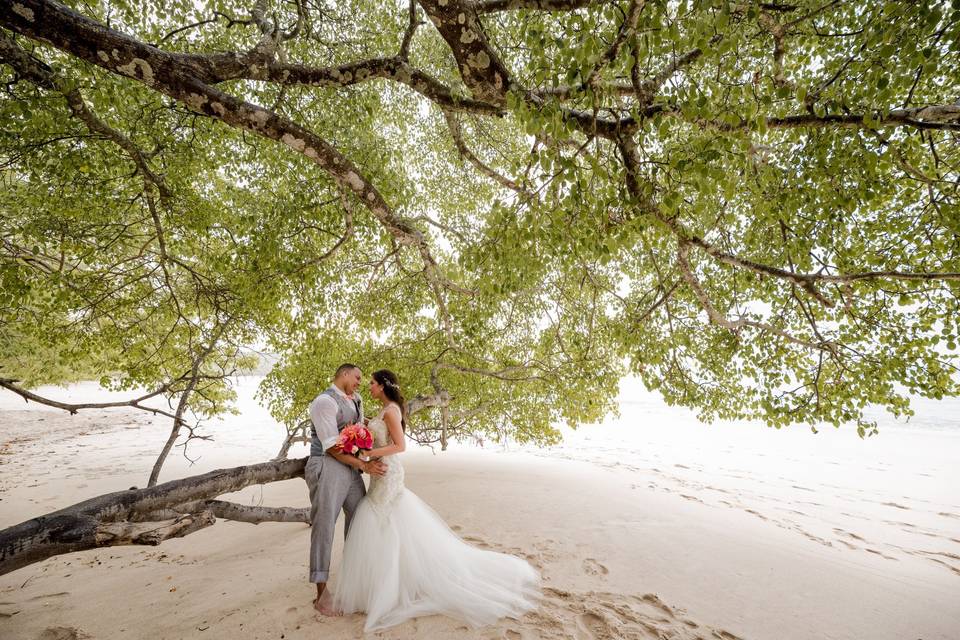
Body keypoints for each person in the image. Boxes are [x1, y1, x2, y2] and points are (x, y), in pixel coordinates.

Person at [333, 369, 540, 631]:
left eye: (372, 383)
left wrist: (369, 453)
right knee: (383, 522)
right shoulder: (385, 408)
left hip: (388, 473)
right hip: (379, 471)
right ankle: (383, 583)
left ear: (383, 386)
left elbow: (400, 446)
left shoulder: (392, 411)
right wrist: (360, 446)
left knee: (382, 520)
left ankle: (388, 587)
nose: (369, 387)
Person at [304, 363, 387, 614]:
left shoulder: (357, 399)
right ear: (344, 374)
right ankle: (321, 593)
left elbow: (359, 432)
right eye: (358, 377)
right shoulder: (324, 403)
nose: (360, 383)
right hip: (327, 465)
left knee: (360, 516)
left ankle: (353, 580)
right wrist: (364, 465)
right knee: (325, 524)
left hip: (350, 468)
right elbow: (331, 446)